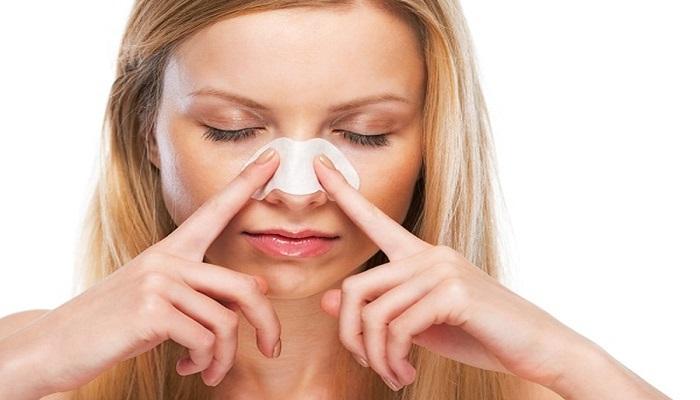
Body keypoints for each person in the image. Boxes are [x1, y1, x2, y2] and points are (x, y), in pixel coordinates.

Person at [0, 1, 672, 399]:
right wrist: (32, 366)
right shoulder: (33, 363)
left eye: (364, 134)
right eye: (231, 129)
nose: (296, 191)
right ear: (147, 132)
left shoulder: (543, 386)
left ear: (430, 144)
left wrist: (573, 363)